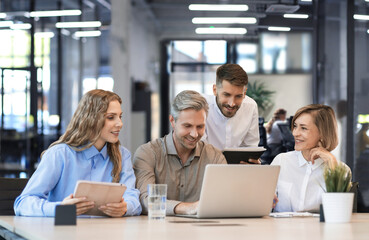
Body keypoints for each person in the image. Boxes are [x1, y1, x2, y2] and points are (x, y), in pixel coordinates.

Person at [14, 89, 142, 217]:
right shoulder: (59, 154)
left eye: (120, 116)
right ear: (91, 119)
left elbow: (133, 198)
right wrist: (60, 209)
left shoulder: (122, 155)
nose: (120, 123)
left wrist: (125, 208)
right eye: (110, 117)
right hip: (64, 232)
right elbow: (22, 203)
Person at [133, 90, 226, 216]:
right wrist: (187, 208)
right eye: (187, 126)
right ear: (172, 121)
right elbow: (144, 201)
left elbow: (223, 200)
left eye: (200, 127)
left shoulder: (215, 157)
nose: (194, 134)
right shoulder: (147, 153)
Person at [271, 104, 351, 212]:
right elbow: (264, 201)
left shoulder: (341, 169)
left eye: (303, 128)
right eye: (295, 126)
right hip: (281, 228)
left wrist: (332, 164)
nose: (295, 133)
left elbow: (341, 211)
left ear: (322, 133)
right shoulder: (281, 161)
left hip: (321, 229)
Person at [202, 64, 260, 163]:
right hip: (207, 168)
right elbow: (199, 151)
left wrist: (252, 163)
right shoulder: (202, 107)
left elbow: (250, 148)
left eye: (238, 96)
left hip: (238, 172)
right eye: (226, 95)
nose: (231, 103)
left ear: (244, 93)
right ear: (215, 90)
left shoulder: (251, 107)